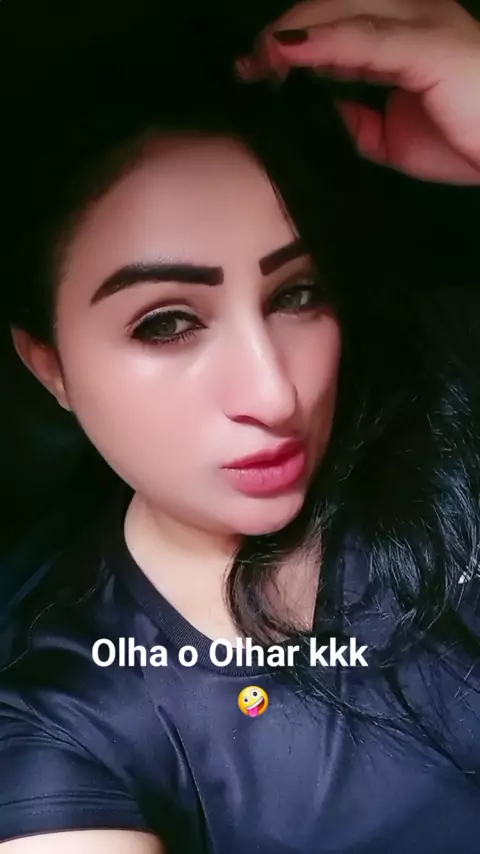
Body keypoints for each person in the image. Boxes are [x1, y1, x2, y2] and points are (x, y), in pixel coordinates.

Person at [0, 0, 480, 852]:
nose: (273, 392)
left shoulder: (451, 398)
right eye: (166, 323)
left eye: (298, 293)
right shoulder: (64, 722)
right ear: (50, 367)